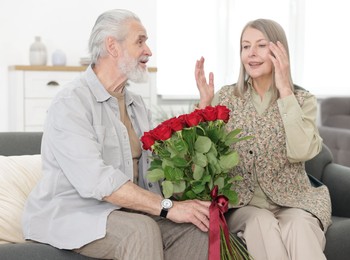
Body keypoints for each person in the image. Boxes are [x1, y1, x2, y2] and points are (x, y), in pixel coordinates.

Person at [22, 9, 210, 260]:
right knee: (140, 231)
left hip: (126, 212)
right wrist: (168, 207)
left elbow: (160, 162)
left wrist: (202, 112)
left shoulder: (136, 104)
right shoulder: (70, 103)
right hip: (76, 215)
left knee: (197, 230)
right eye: (140, 41)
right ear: (112, 46)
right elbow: (96, 180)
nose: (149, 51)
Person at [194, 18, 332, 260]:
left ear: (279, 51)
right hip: (244, 205)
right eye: (245, 46)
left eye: (260, 45)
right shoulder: (226, 97)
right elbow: (201, 158)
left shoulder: (302, 99)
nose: (251, 54)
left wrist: (285, 92)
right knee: (262, 223)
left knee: (299, 228)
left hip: (293, 200)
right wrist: (204, 106)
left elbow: (301, 151)